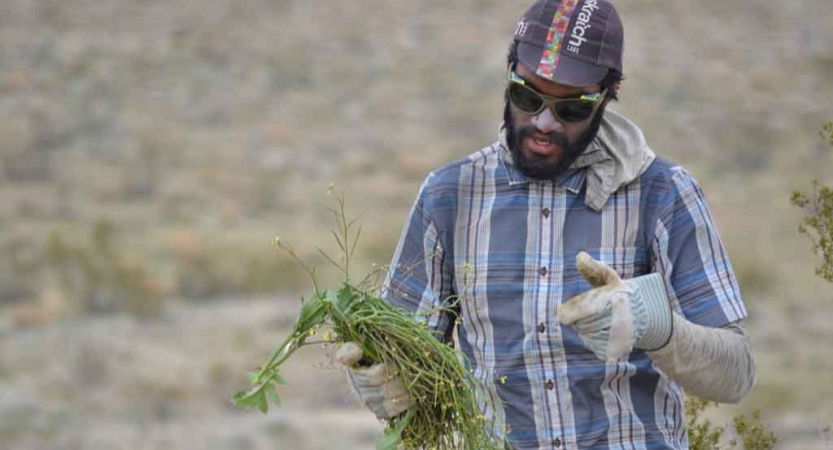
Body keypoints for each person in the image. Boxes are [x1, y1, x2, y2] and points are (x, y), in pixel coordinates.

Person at [336, 0, 757, 448]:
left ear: (607, 96)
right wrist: (378, 379)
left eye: (571, 110)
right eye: (526, 96)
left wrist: (657, 327)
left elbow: (737, 375)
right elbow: (401, 367)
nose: (542, 123)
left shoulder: (662, 193)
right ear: (508, 73)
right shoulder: (449, 197)